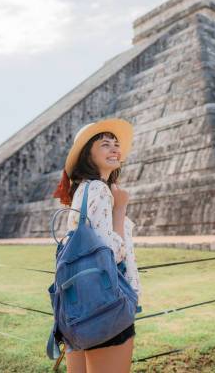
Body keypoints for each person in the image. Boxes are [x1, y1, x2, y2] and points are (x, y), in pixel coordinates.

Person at [52, 117, 142, 373]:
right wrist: (121, 207)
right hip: (107, 305)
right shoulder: (101, 191)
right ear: (87, 155)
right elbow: (111, 253)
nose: (115, 148)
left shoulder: (82, 191)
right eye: (105, 144)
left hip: (78, 306)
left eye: (116, 144)